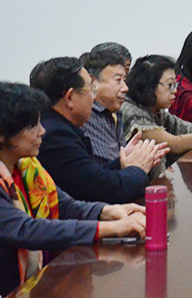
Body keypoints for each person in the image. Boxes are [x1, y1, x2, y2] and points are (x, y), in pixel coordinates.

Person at [0, 82, 146, 296]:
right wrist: (109, 228)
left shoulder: (28, 167)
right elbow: (25, 230)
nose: (43, 131)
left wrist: (108, 212)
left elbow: (65, 206)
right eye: (33, 126)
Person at [30, 57, 168, 204]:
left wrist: (123, 162)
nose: (94, 97)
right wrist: (138, 168)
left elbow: (91, 176)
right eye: (91, 90)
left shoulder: (59, 126)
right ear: (69, 97)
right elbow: (107, 190)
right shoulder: (56, 136)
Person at [79, 48, 129, 165]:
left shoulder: (116, 113)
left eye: (124, 80)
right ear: (92, 82)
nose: (125, 88)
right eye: (118, 80)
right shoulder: (87, 116)